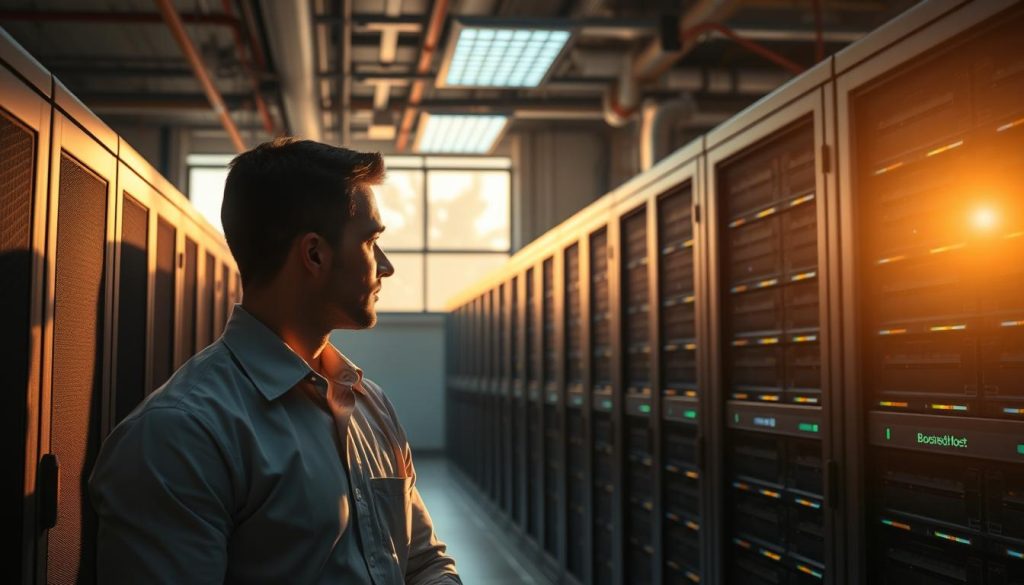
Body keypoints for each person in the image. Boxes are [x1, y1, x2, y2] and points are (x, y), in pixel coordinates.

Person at [88, 138, 462, 584]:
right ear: (314, 255)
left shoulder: (370, 405)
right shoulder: (179, 435)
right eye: (370, 241)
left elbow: (423, 563)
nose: (385, 266)